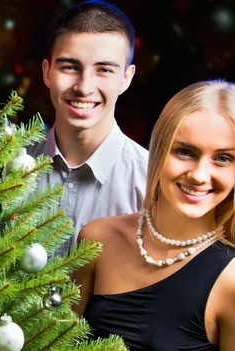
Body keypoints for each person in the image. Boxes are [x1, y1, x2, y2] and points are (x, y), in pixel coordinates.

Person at [73, 80, 235, 351]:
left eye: (223, 158)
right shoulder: (97, 238)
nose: (200, 174)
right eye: (185, 152)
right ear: (158, 150)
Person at [30, 0, 148, 255]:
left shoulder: (151, 183)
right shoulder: (3, 168)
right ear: (47, 72)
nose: (84, 87)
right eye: (70, 67)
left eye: (104, 70)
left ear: (126, 78)